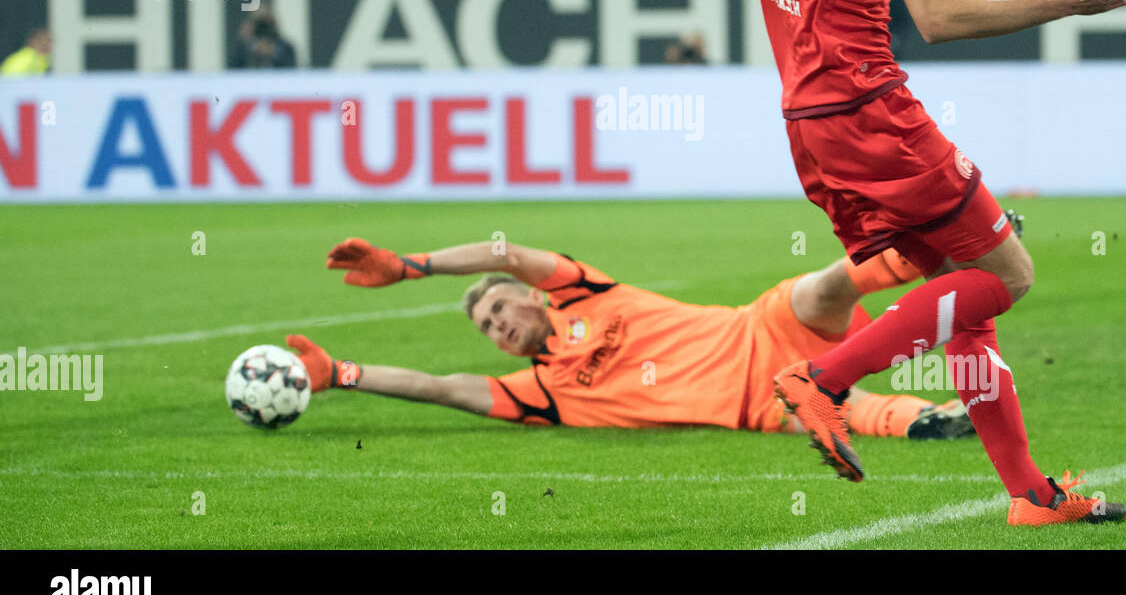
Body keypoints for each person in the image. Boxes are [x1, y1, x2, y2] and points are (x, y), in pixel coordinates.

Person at [508, 0, 1126, 526]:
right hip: (872, 112)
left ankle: (1028, 496)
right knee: (1009, 276)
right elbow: (939, 19)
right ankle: (821, 378)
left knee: (964, 298)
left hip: (807, 124)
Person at [290, 235, 974, 441]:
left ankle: (949, 249)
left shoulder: (584, 292)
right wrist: (342, 373)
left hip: (758, 327)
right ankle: (939, 421)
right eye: (488, 328)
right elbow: (437, 387)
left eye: (499, 309)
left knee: (821, 288)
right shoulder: (542, 393)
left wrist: (414, 268)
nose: (497, 324)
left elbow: (505, 252)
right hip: (755, 400)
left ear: (531, 296)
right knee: (842, 413)